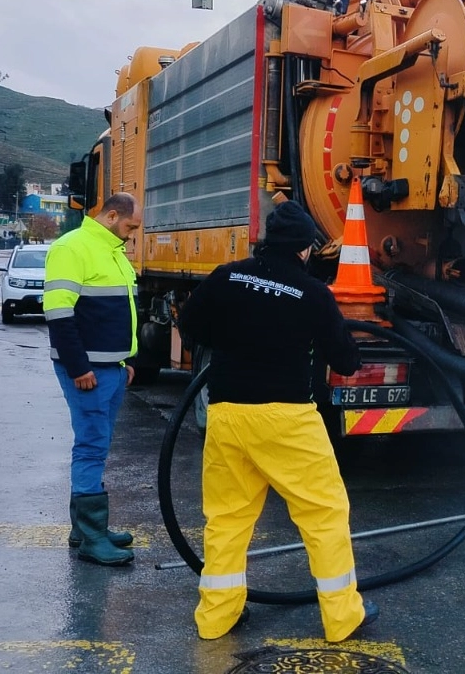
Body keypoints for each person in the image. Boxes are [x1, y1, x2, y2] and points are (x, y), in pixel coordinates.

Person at [177, 199, 379, 642]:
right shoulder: (313, 293)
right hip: (287, 419)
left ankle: (217, 617)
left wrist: (232, 337)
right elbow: (346, 361)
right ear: (304, 249)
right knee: (323, 514)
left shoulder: (227, 276)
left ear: (268, 240)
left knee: (227, 518)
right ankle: (342, 617)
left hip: (227, 414)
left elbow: (189, 324)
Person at [44, 193, 142, 566]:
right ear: (112, 215)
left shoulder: (113, 250)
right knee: (91, 446)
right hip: (89, 370)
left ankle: (85, 530)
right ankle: (92, 538)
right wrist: (78, 367)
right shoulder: (72, 247)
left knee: (96, 444)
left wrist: (126, 360)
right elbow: (58, 312)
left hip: (110, 367)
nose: (132, 234)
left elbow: (121, 310)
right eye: (130, 226)